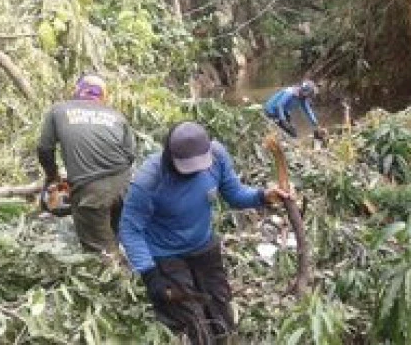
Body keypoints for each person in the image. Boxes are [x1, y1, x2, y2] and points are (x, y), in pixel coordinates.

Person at [120, 122, 288, 344]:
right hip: (166, 254)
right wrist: (151, 276)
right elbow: (130, 229)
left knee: (220, 307)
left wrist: (262, 196)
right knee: (192, 320)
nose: (196, 171)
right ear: (170, 157)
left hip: (203, 244)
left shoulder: (216, 156)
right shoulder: (149, 181)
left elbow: (235, 194)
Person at [37, 73, 136, 258]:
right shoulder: (117, 116)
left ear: (76, 91)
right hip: (127, 187)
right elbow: (130, 155)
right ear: (103, 96)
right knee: (125, 240)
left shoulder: (58, 111)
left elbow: (44, 150)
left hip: (92, 193)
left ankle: (121, 279)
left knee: (103, 257)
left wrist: (52, 177)